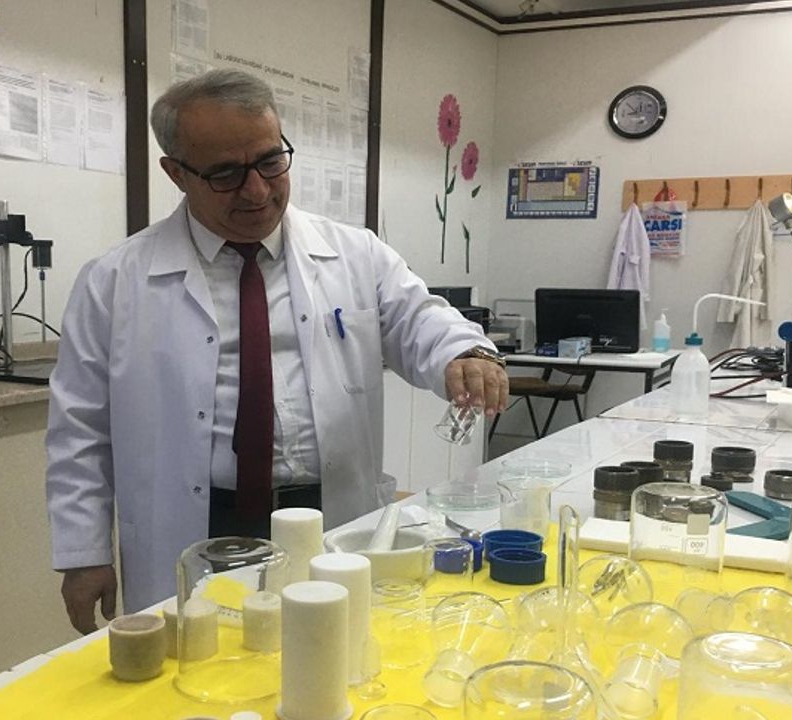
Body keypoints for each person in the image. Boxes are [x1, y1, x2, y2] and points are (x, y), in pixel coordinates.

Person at [46, 68, 508, 632]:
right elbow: (80, 430)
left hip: (329, 514)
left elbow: (420, 319)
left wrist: (466, 353)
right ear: (176, 173)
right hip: (196, 526)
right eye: (225, 174)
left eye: (270, 161)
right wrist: (84, 553)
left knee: (335, 655)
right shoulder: (114, 281)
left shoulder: (355, 255)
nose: (258, 191)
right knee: (201, 665)